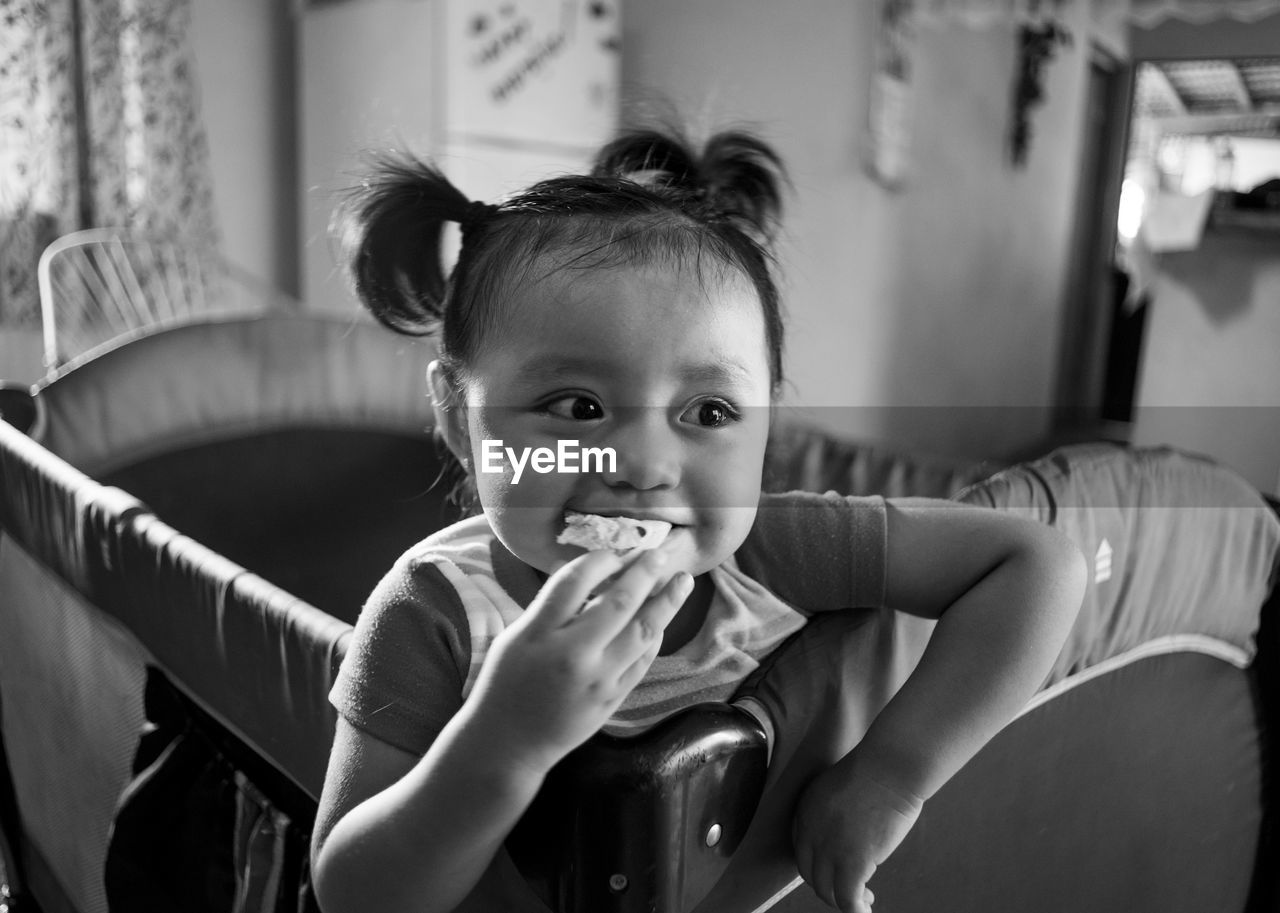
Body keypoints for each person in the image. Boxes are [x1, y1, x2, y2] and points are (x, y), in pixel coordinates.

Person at [309, 127, 1087, 913]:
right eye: (577, 407)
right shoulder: (433, 612)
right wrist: (501, 743)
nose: (645, 464)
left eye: (709, 410)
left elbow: (1038, 564)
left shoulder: (776, 553)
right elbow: (350, 892)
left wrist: (888, 779)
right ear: (455, 415)